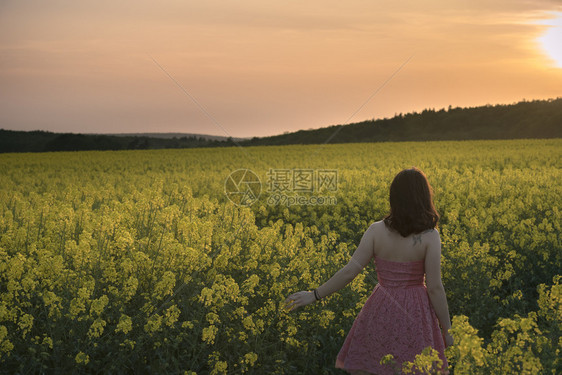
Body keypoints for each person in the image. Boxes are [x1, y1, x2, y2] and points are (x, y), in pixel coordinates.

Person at [284, 167, 453, 375]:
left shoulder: (376, 230)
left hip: (381, 307)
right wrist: (447, 330)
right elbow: (435, 288)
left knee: (376, 367)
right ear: (424, 197)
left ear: (394, 197)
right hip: (416, 312)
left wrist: (314, 295)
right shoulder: (430, 236)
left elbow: (349, 271)